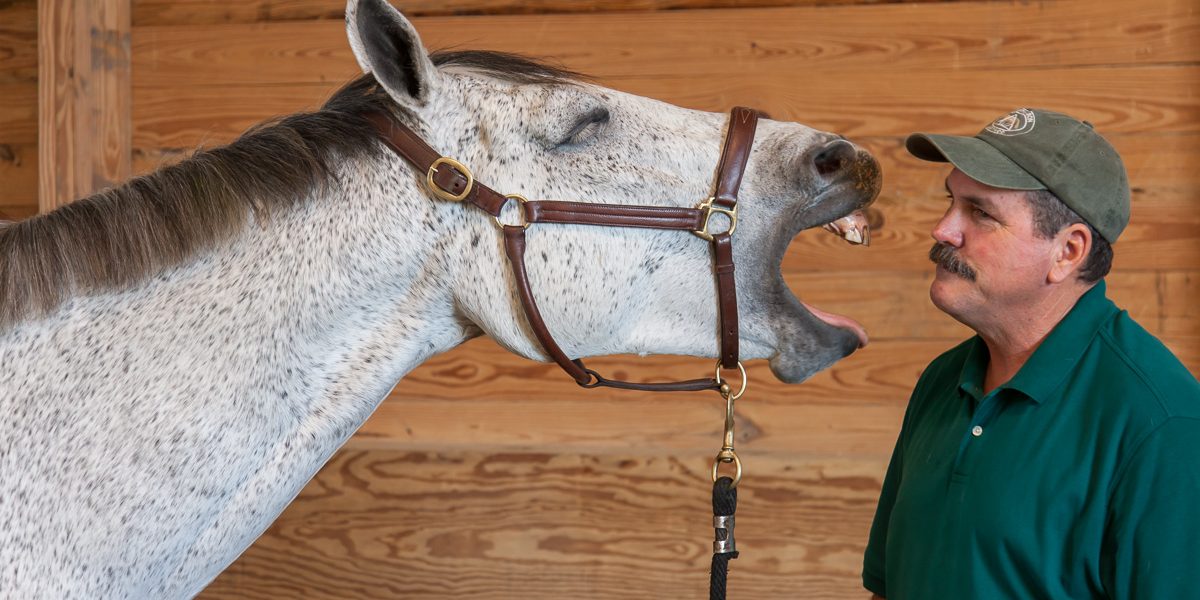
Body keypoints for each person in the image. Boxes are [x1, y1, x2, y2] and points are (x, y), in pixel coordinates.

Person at [862, 108, 1200, 599]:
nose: (942, 230)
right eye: (951, 203)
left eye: (980, 213)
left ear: (1067, 252)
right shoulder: (942, 379)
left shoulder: (1162, 422)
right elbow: (887, 587)